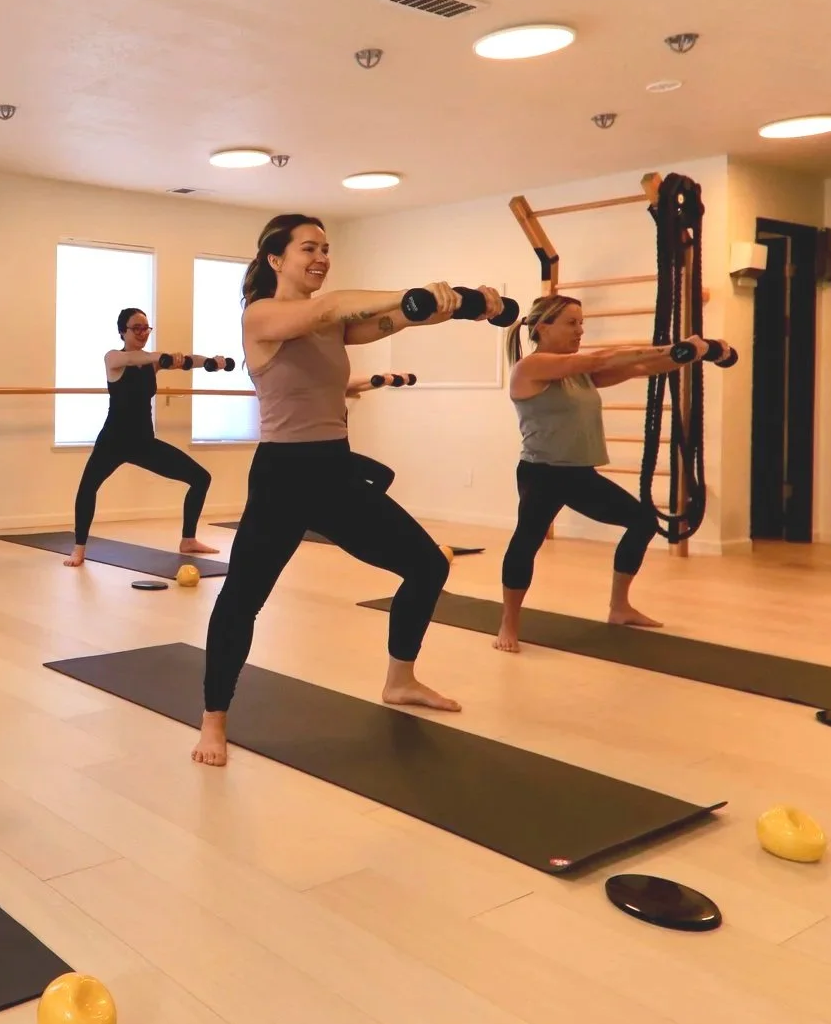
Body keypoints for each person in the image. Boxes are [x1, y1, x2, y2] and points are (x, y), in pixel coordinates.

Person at [194, 214, 497, 766]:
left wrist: (460, 304)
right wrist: (411, 292)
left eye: (327, 249)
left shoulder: (329, 326)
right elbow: (330, 307)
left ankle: (400, 680)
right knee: (242, 600)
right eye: (309, 248)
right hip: (283, 477)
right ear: (275, 260)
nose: (322, 257)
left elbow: (385, 321)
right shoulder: (262, 315)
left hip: (334, 471)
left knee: (428, 565)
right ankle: (213, 721)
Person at [493, 294, 698, 651]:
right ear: (543, 327)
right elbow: (605, 357)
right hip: (542, 474)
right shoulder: (531, 367)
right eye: (572, 323)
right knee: (527, 542)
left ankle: (620, 607)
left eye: (581, 322)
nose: (580, 330)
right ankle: (508, 625)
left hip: (578, 475)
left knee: (642, 521)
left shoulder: (578, 373)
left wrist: (687, 355)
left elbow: (637, 368)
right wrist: (675, 346)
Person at [63, 308, 220, 566]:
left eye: (146, 328)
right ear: (122, 331)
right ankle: (79, 548)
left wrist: (212, 362)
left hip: (143, 443)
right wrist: (165, 357)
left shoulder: (152, 362)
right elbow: (136, 359)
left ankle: (188, 540)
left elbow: (188, 360)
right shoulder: (113, 358)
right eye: (136, 327)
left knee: (201, 478)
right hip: (112, 442)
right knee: (88, 487)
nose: (142, 332)